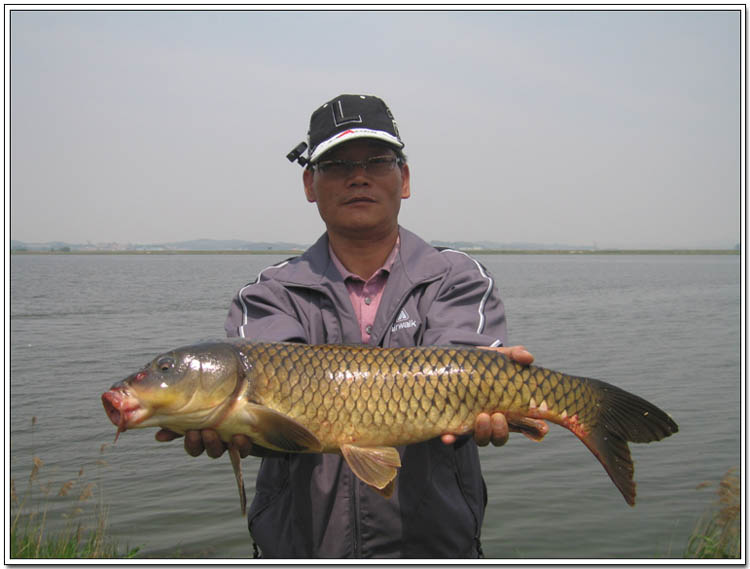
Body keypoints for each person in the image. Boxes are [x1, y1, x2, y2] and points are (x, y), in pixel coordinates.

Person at [156, 94, 545, 558]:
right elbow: (275, 411)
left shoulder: (457, 277)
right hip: (302, 549)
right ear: (310, 184)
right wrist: (227, 425)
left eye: (377, 162)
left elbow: (459, 374)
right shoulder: (267, 294)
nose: (358, 176)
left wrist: (491, 389)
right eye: (336, 164)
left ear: (404, 179)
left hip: (436, 549)